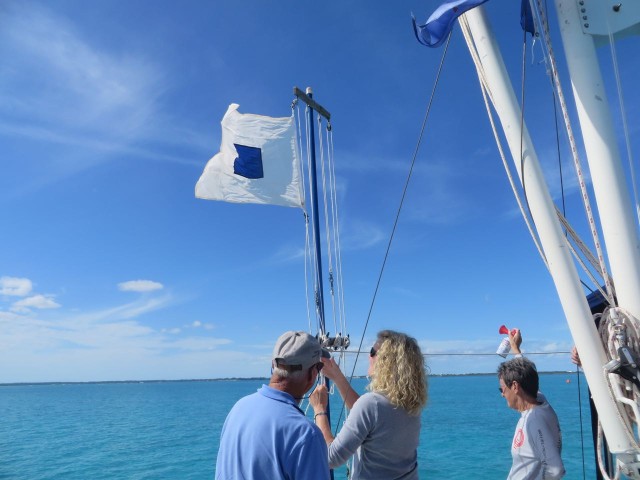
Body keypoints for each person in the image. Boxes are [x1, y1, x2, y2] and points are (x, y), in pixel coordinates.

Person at [309, 330, 428, 480]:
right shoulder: (410, 403)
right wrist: (337, 376)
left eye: (372, 351)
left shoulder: (372, 405)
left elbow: (330, 458)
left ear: (386, 361)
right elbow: (371, 416)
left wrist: (319, 410)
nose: (369, 356)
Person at [215, 330, 331, 480]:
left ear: (273, 365)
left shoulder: (238, 408)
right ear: (313, 373)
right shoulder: (305, 434)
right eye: (318, 367)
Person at [498, 329, 565, 479]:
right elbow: (527, 378)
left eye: (502, 389)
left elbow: (556, 470)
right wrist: (516, 349)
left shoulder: (534, 421)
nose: (502, 394)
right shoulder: (540, 400)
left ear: (515, 387)